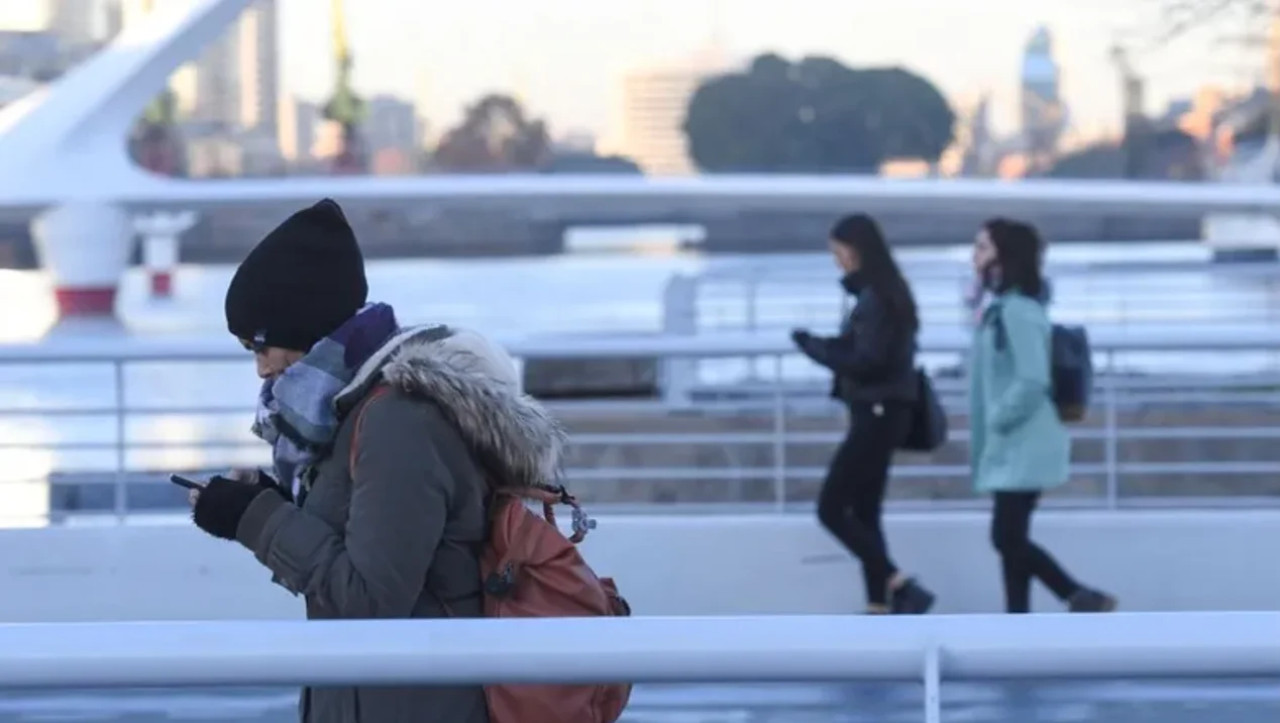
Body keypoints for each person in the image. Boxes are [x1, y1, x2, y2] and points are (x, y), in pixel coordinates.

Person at [187, 198, 566, 722]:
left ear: (304, 325)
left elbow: (370, 600)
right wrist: (272, 506)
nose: (259, 368)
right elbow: (363, 549)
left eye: (260, 344)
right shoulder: (356, 406)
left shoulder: (398, 422)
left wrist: (257, 520)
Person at [969, 218, 1116, 614]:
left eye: (982, 248)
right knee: (1012, 537)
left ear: (1004, 257)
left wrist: (1000, 417)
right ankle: (1018, 619)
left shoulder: (1016, 310)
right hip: (1016, 442)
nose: (974, 257)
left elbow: (1032, 377)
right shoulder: (1007, 307)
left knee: (1005, 538)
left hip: (1023, 441)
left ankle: (1078, 596)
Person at [790, 214, 934, 615]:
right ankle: (878, 605)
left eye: (838, 251)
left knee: (831, 507)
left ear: (855, 250)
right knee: (866, 512)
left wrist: (811, 347)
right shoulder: (885, 293)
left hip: (878, 411)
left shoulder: (876, 298)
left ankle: (900, 584)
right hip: (886, 411)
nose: (836, 260)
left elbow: (865, 360)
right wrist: (821, 344)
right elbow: (864, 349)